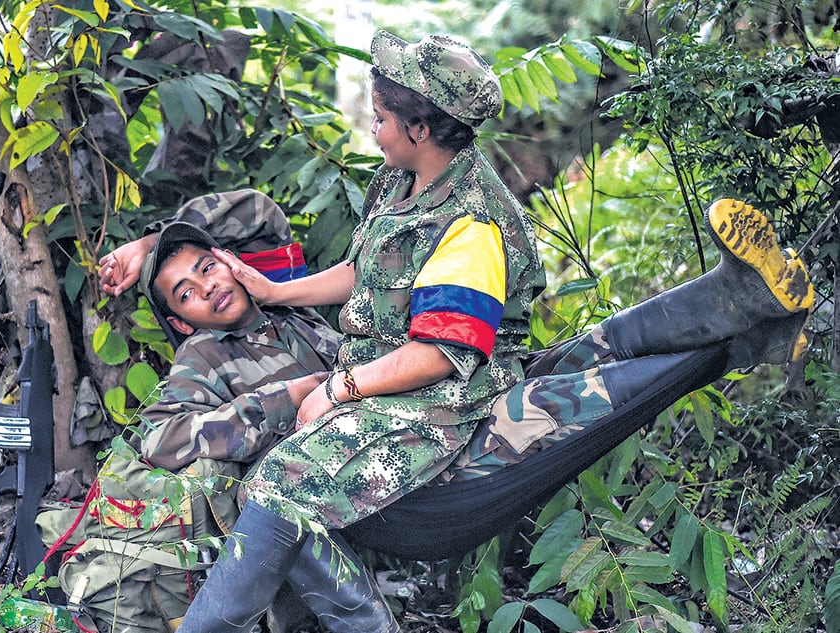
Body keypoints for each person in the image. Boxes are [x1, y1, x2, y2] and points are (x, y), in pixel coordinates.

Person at [169, 30, 814, 633]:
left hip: (435, 397)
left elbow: (442, 354)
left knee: (280, 486)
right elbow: (368, 269)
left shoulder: (470, 227)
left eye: (382, 118)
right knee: (599, 348)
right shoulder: (406, 179)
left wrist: (340, 389)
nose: (374, 128)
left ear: (421, 129)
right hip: (394, 372)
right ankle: (739, 298)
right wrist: (276, 291)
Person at [97, 190, 400, 632]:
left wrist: (147, 245)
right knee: (273, 481)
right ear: (181, 322)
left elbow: (259, 212)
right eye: (187, 293)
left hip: (387, 452)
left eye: (208, 268)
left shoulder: (281, 296)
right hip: (312, 496)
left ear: (230, 261)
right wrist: (284, 400)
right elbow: (160, 438)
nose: (207, 287)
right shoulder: (202, 353)